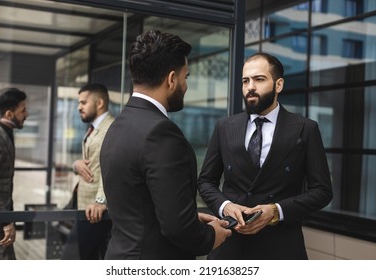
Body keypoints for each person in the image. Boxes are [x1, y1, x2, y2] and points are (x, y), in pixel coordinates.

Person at [100, 29, 231, 260]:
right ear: (171, 79)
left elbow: (138, 205)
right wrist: (210, 237)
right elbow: (176, 226)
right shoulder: (161, 133)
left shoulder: (118, 125)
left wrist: (191, 218)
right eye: (185, 77)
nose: (185, 85)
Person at [197, 52, 333, 260]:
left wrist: (277, 211)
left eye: (259, 79)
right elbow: (206, 181)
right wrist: (225, 206)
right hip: (231, 244)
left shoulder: (305, 129)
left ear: (278, 85)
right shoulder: (225, 127)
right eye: (245, 81)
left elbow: (322, 191)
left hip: (281, 247)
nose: (250, 86)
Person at [61, 83, 114, 260]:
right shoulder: (94, 128)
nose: (79, 107)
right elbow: (93, 161)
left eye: (83, 103)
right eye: (79, 103)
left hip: (96, 211)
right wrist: (76, 164)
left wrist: (101, 201)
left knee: (70, 259)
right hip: (85, 206)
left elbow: (112, 168)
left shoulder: (111, 128)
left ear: (99, 103)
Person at [0, 87, 28, 260]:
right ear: (9, 114)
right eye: (23, 110)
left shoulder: (4, 132)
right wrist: (5, 221)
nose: (26, 114)